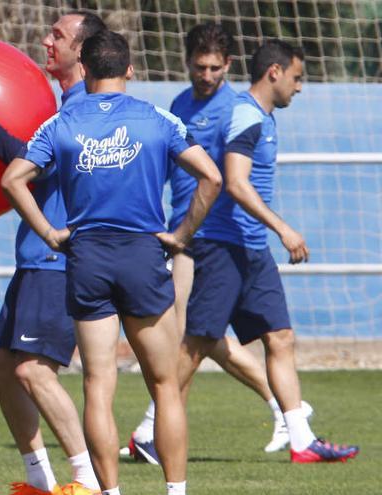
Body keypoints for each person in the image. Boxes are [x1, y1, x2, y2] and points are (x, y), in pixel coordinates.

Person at [2, 30, 222, 495]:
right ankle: (176, 491)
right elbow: (212, 177)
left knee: (98, 385)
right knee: (164, 384)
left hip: (86, 258)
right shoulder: (156, 118)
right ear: (129, 69)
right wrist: (181, 236)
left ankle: (110, 493)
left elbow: (12, 180)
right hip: (143, 254)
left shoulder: (60, 123)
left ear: (83, 70)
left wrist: (49, 234)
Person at [0, 12, 106, 495]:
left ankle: (87, 480)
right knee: (2, 367)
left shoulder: (83, 106)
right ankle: (40, 480)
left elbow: (36, 166)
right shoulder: (59, 103)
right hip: (34, 256)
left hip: (58, 259)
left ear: (83, 52)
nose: (47, 40)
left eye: (59, 35)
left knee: (32, 369)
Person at [125, 23, 312, 465]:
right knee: (202, 335)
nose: (205, 75)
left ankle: (155, 428)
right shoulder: (178, 105)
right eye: (198, 66)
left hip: (209, 235)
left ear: (228, 66)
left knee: (198, 336)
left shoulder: (239, 108)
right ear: (187, 62)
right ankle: (288, 411)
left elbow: (233, 181)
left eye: (214, 68)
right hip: (183, 232)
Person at [177, 38, 359, 464]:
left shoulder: (262, 116)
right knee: (198, 344)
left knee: (281, 337)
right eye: (296, 77)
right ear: (274, 73)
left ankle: (301, 440)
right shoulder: (245, 115)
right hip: (223, 247)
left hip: (249, 249)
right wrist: (284, 228)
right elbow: (235, 181)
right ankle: (152, 430)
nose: (299, 87)